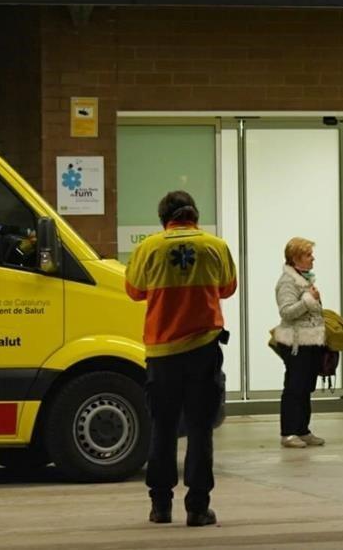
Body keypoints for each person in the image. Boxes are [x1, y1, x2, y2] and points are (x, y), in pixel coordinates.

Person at [125, 191, 236, 527]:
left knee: (163, 427)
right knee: (201, 429)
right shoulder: (215, 246)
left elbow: (134, 291)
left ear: (164, 219)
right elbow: (228, 288)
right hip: (203, 351)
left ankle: (161, 507)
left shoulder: (149, 248)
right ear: (195, 216)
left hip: (162, 354)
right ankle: (198, 508)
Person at [271, 237, 327, 448]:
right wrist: (309, 300)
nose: (313, 258)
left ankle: (303, 430)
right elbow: (286, 311)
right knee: (294, 387)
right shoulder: (287, 281)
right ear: (296, 258)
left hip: (311, 341)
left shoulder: (306, 279)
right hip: (295, 343)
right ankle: (289, 432)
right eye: (308, 255)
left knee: (306, 387)